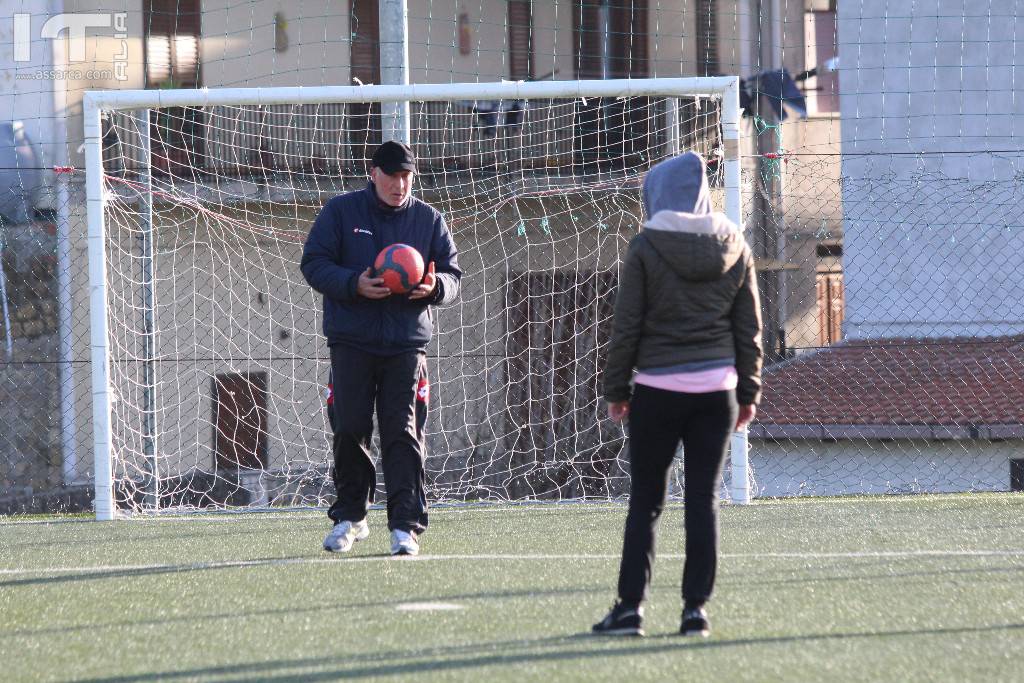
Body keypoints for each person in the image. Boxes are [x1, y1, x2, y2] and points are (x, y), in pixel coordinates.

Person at [592, 152, 762, 637]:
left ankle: (629, 610)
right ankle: (694, 612)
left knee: (645, 501)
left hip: (658, 391)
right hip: (716, 393)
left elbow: (627, 325)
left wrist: (618, 389)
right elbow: (749, 329)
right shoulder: (736, 243)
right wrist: (749, 390)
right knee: (702, 502)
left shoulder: (645, 245)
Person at [301, 140, 461, 556]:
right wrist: (354, 284)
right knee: (350, 427)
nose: (400, 184)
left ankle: (405, 527)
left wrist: (434, 287)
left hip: (407, 346)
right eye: (392, 175)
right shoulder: (341, 212)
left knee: (403, 433)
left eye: (407, 176)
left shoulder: (428, 220)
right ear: (374, 173)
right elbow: (314, 263)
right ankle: (351, 518)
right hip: (352, 341)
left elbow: (452, 276)